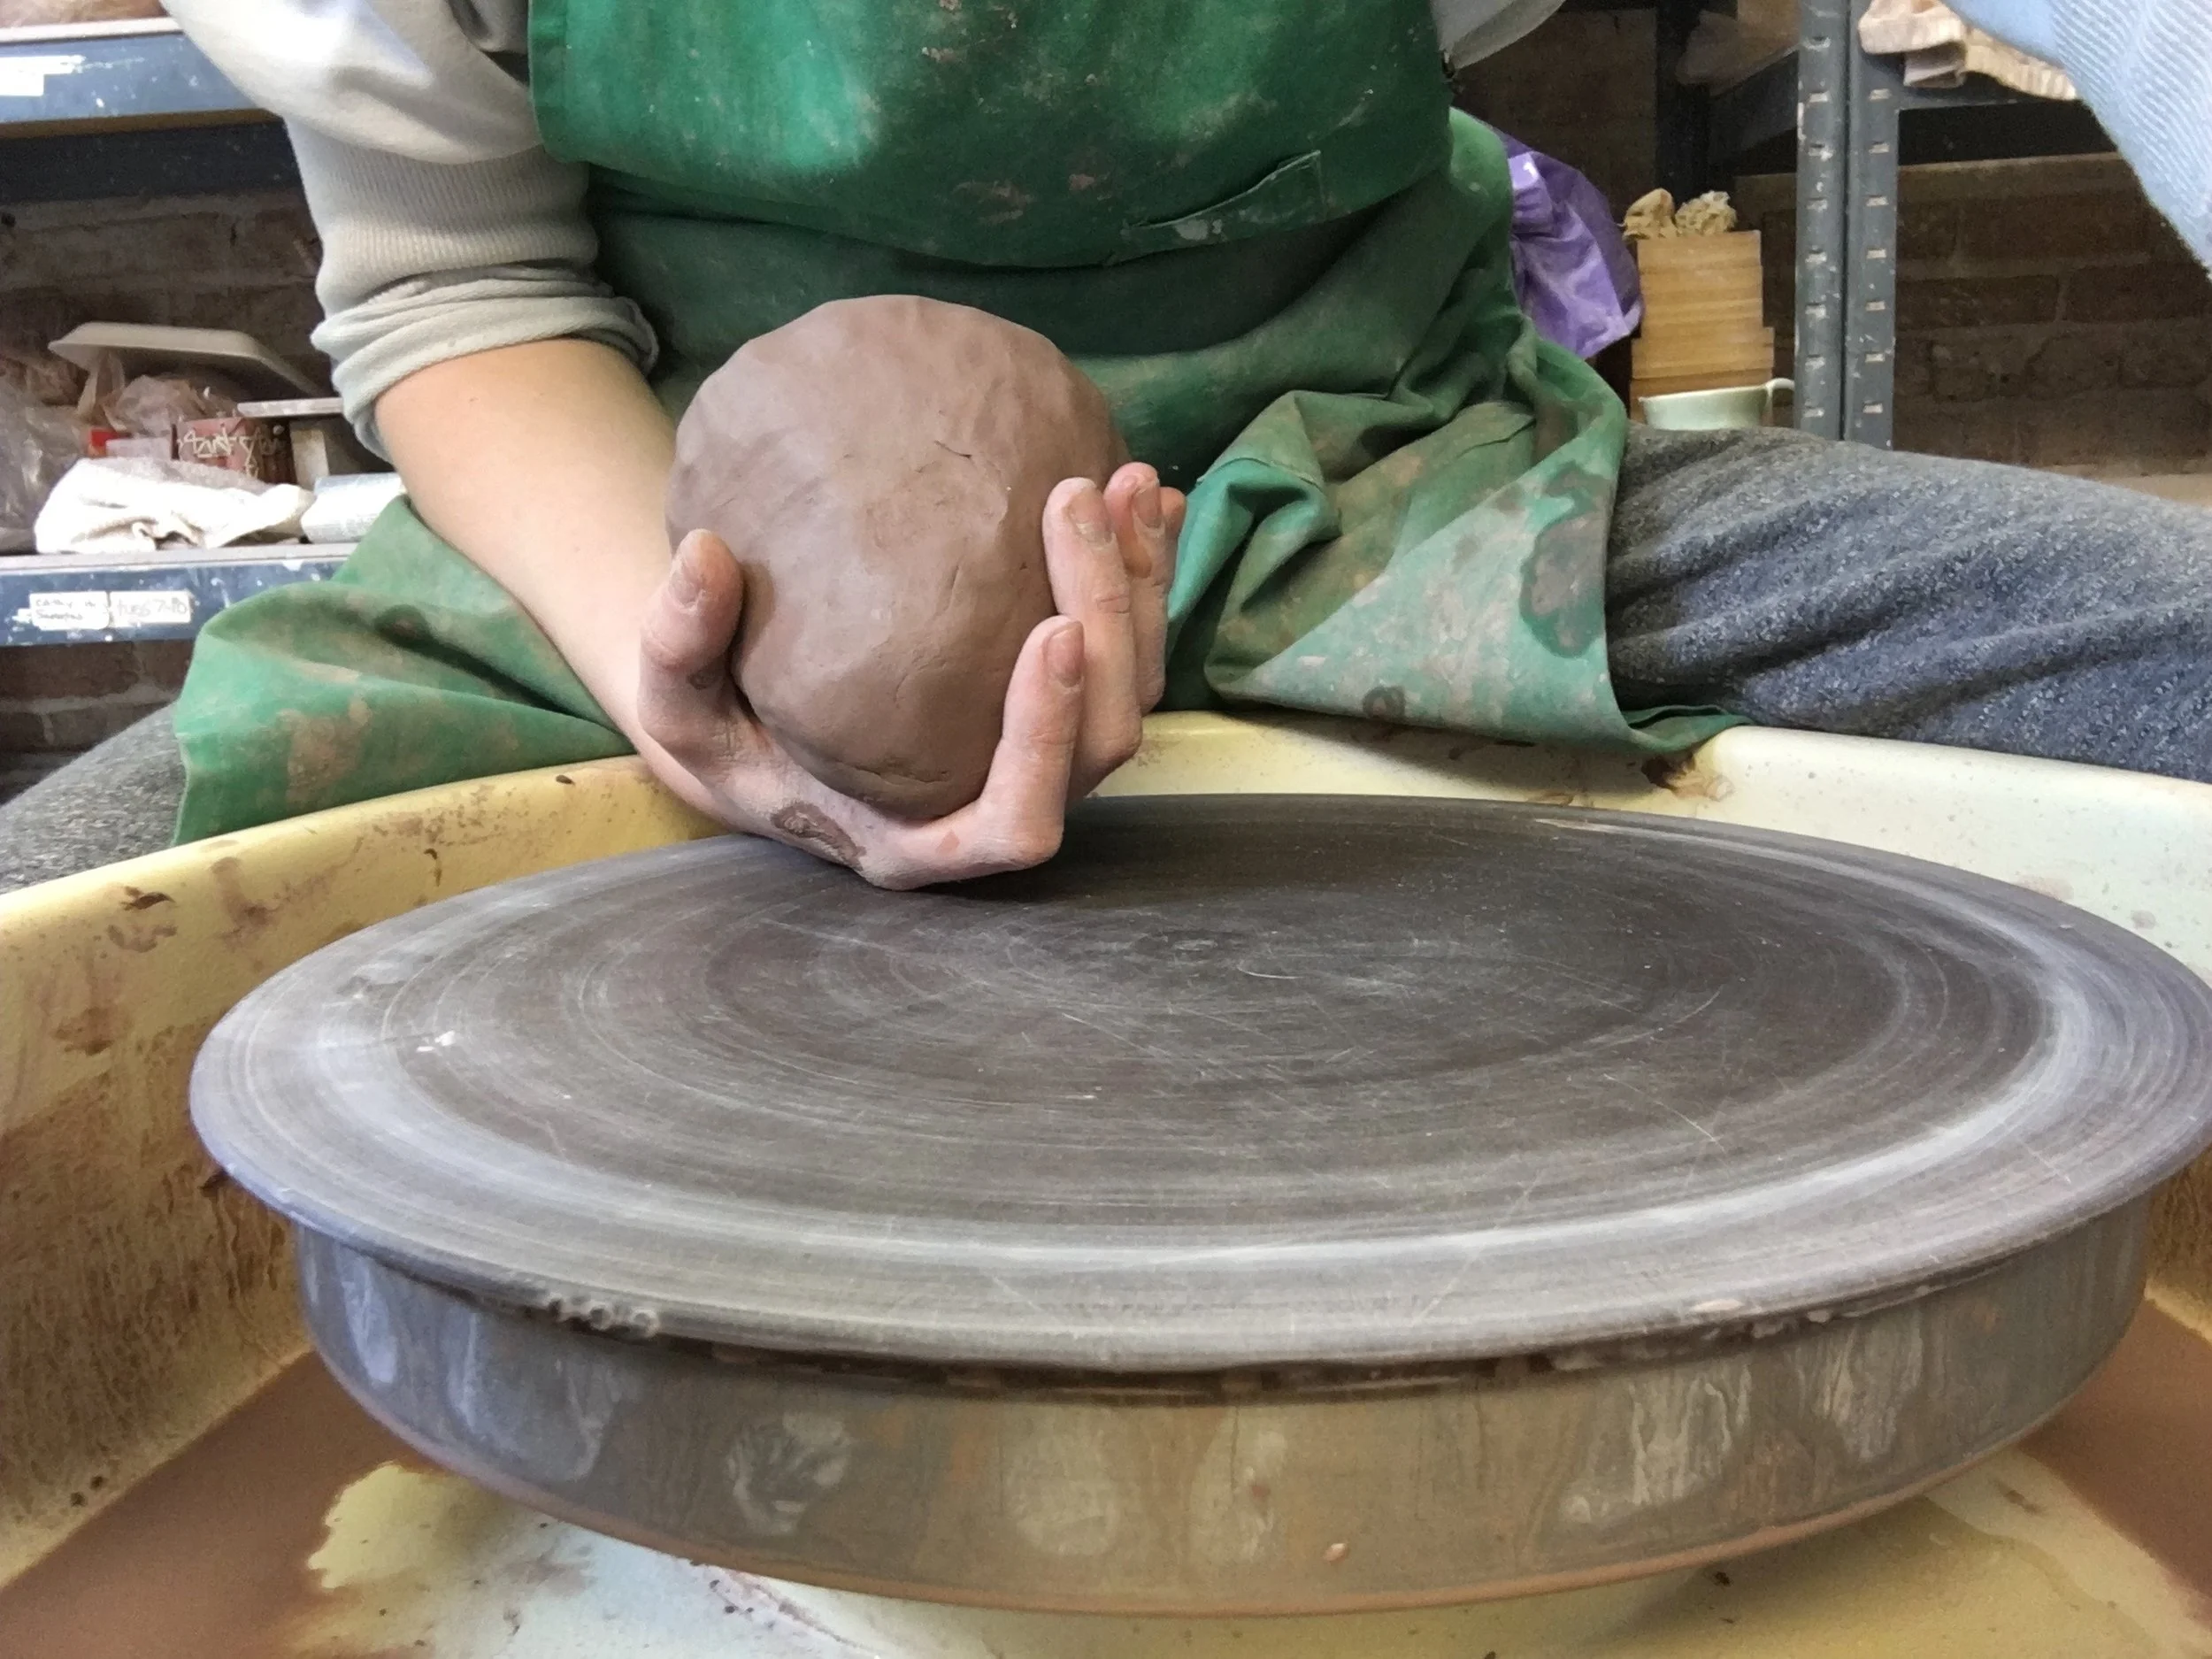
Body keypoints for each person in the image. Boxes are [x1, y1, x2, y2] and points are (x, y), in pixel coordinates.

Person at [2, 0, 2208, 895]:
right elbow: (460, 292)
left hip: (1362, 484)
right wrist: (688, 686)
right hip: (677, 548)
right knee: (62, 934)